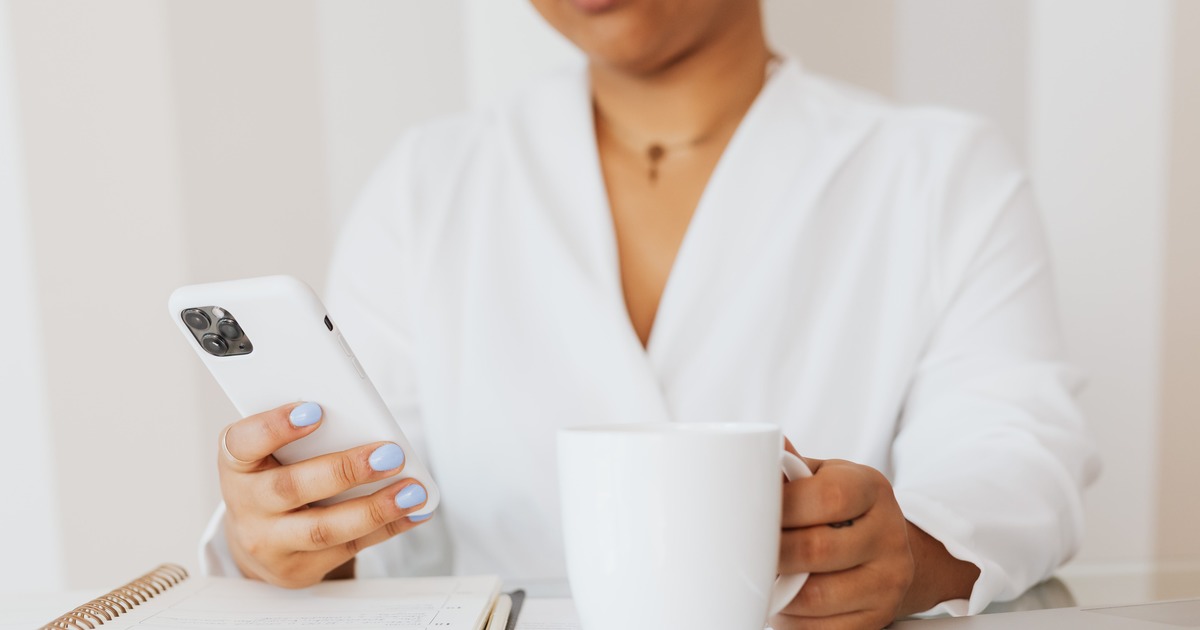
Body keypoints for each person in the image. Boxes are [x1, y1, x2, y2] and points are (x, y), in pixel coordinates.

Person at [201, 0, 1099, 627]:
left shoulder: (942, 173)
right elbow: (392, 527)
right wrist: (290, 542)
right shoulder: (427, 183)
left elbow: (1016, 457)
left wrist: (906, 556)